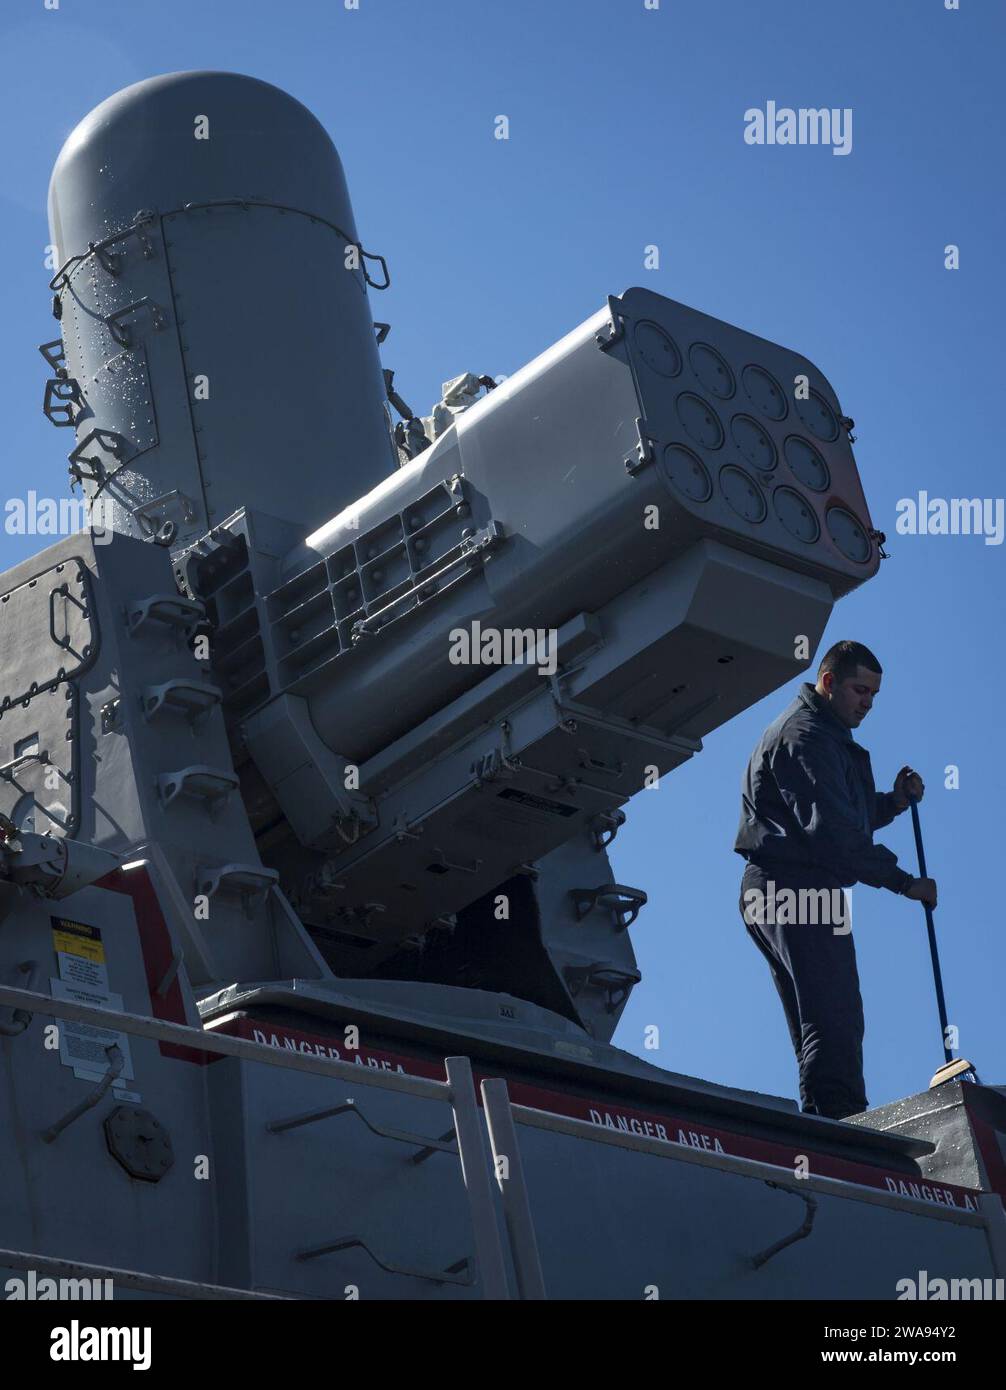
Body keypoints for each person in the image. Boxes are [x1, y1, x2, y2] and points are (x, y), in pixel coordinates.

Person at [734, 640, 937, 1120]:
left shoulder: (820, 733)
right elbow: (835, 837)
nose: (867, 702)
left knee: (821, 1022)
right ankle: (843, 1131)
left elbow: (844, 817)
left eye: (873, 695)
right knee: (834, 1018)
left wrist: (894, 801)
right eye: (859, 690)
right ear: (828, 683)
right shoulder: (807, 737)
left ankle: (829, 1127)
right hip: (795, 889)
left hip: (779, 889)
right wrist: (907, 883)